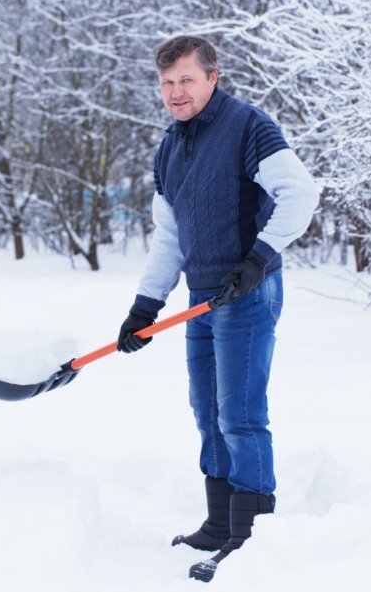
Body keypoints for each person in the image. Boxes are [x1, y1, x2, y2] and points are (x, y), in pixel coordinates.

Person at [116, 35, 319, 582]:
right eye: (166, 82)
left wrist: (257, 259)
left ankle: (252, 532)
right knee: (207, 411)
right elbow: (169, 237)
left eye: (186, 79)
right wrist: (145, 306)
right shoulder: (170, 147)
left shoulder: (248, 127)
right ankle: (220, 521)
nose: (175, 92)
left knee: (240, 415)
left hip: (247, 292)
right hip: (201, 298)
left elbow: (300, 194)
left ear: (213, 77)